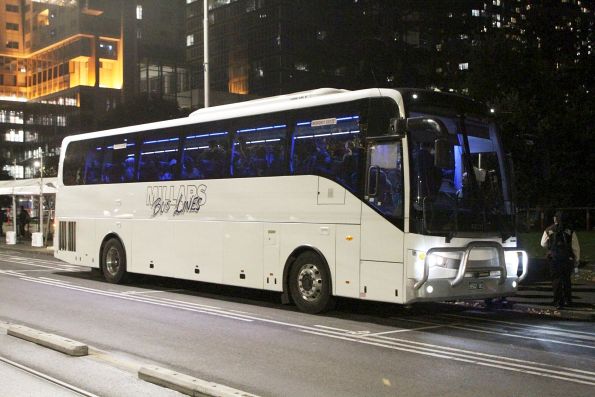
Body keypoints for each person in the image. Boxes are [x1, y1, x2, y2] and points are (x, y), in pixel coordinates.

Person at [540, 211, 580, 309]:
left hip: (554, 259)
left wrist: (550, 248)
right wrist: (577, 259)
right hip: (566, 259)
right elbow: (575, 247)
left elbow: (543, 244)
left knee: (556, 280)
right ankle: (568, 300)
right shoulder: (570, 230)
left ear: (555, 219)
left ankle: (558, 301)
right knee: (566, 279)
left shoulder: (549, 230)